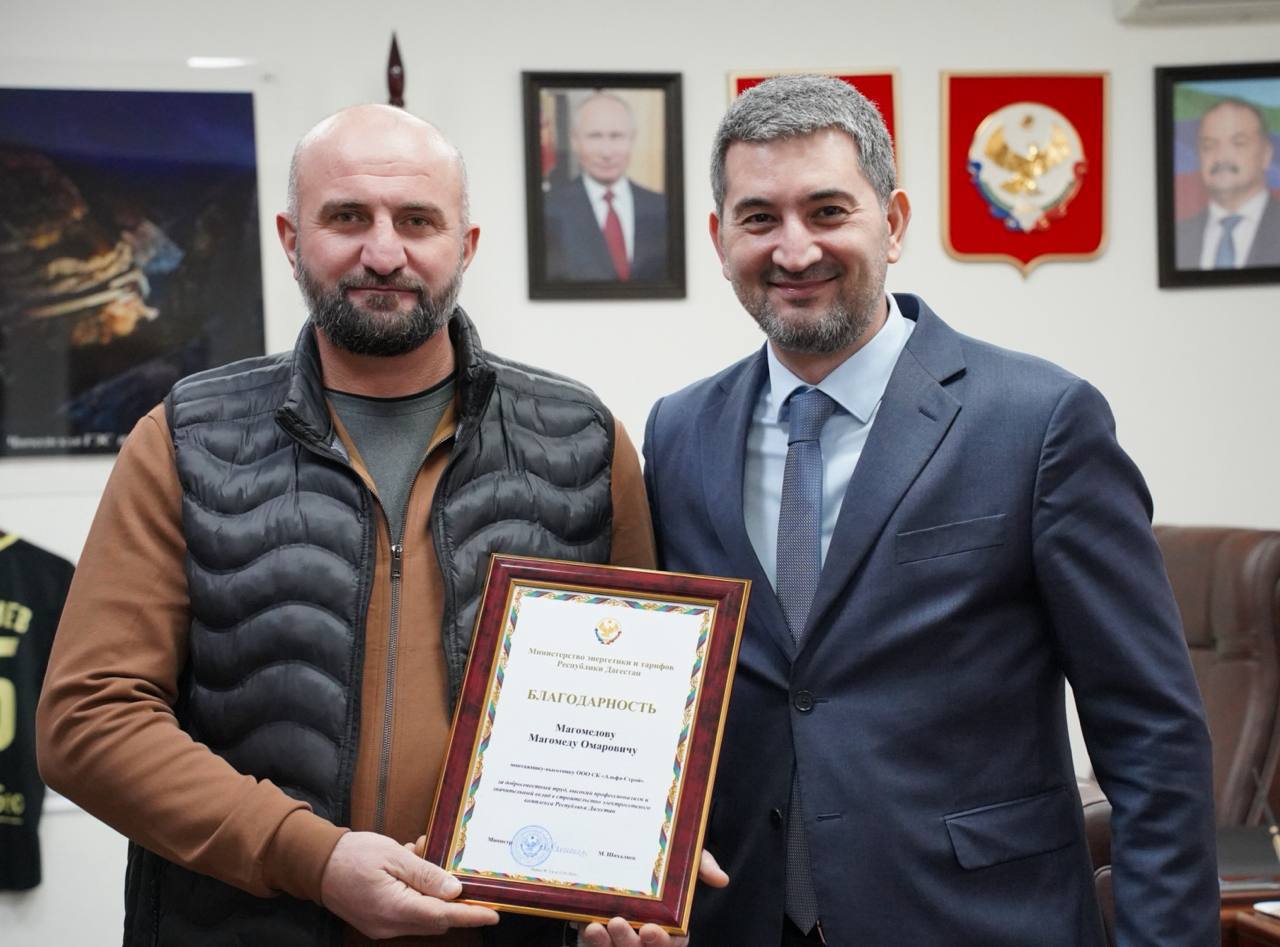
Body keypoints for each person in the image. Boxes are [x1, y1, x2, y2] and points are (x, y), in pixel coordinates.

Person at [36, 104, 721, 947]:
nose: (385, 252)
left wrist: (632, 870)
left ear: (466, 246)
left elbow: (639, 717)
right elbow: (89, 720)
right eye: (348, 217)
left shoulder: (581, 441)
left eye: (418, 220)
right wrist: (311, 857)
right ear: (291, 239)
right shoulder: (186, 439)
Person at [643, 75, 1217, 946]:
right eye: (759, 218)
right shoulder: (679, 432)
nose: (794, 248)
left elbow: (1152, 734)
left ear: (895, 221)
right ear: (720, 239)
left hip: (980, 921)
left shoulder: (1038, 422)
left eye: (827, 211)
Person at [544, 93, 668, 282]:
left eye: (616, 136)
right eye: (595, 136)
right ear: (575, 140)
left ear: (632, 139)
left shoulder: (661, 207)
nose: (606, 152)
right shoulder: (549, 209)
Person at [1176, 97, 1280, 269]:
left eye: (1238, 143)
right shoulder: (1178, 237)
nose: (1222, 156)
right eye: (1209, 145)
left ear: (1266, 155)